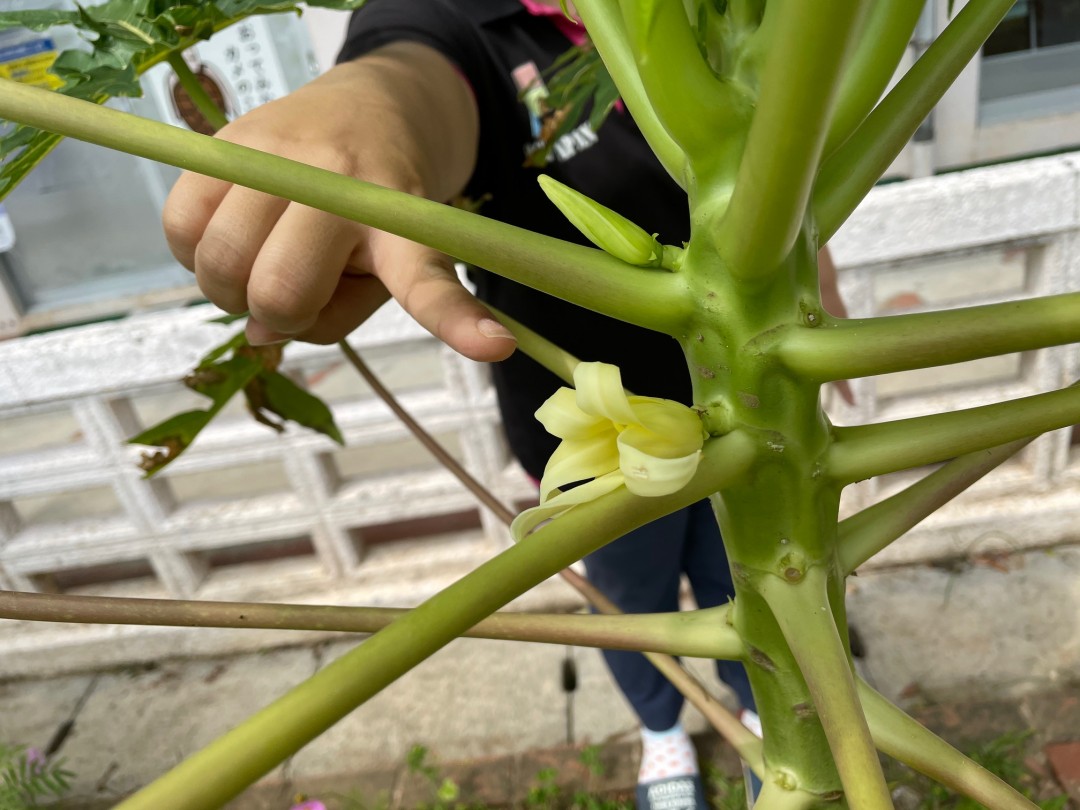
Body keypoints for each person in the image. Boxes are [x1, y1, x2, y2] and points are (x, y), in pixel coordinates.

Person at [163, 2, 847, 807]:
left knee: (741, 580)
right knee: (635, 602)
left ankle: (757, 702)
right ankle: (663, 728)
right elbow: (417, 74)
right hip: (597, 436)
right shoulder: (464, 21)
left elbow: (774, 188)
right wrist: (369, 115)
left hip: (755, 416)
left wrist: (816, 284)